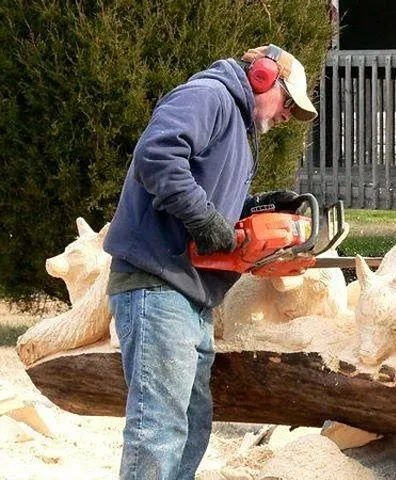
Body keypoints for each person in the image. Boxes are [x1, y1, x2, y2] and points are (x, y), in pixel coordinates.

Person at [103, 44, 317, 479]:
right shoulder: (210, 97)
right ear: (262, 77)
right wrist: (206, 219)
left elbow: (204, 192)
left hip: (190, 293)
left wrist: (254, 208)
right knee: (158, 429)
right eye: (288, 103)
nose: (285, 117)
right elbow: (157, 156)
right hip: (157, 283)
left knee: (193, 427)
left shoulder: (238, 126)